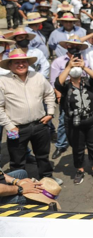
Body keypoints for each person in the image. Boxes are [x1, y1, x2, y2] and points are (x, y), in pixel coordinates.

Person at [0, 49, 62, 185]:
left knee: (42, 155)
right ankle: (20, 185)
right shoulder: (3, 81)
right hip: (15, 128)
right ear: (10, 65)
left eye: (23, 62)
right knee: (17, 160)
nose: (21, 65)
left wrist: (50, 113)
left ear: (28, 63)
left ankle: (47, 179)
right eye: (17, 62)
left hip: (40, 124)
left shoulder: (37, 77)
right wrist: (10, 126)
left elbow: (49, 94)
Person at [54, 54, 93, 184]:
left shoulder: (88, 82)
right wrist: (69, 66)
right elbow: (57, 84)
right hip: (73, 122)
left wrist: (84, 67)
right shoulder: (65, 86)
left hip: (91, 119)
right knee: (77, 146)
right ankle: (79, 169)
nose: (75, 69)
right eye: (72, 67)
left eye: (77, 67)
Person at [50, 35, 90, 159]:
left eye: (77, 46)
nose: (74, 47)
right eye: (71, 45)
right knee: (63, 120)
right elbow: (54, 81)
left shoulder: (85, 61)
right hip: (65, 92)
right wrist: (58, 94)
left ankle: (84, 142)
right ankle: (61, 145)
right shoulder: (59, 61)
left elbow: (89, 77)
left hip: (82, 93)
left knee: (84, 118)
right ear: (67, 46)